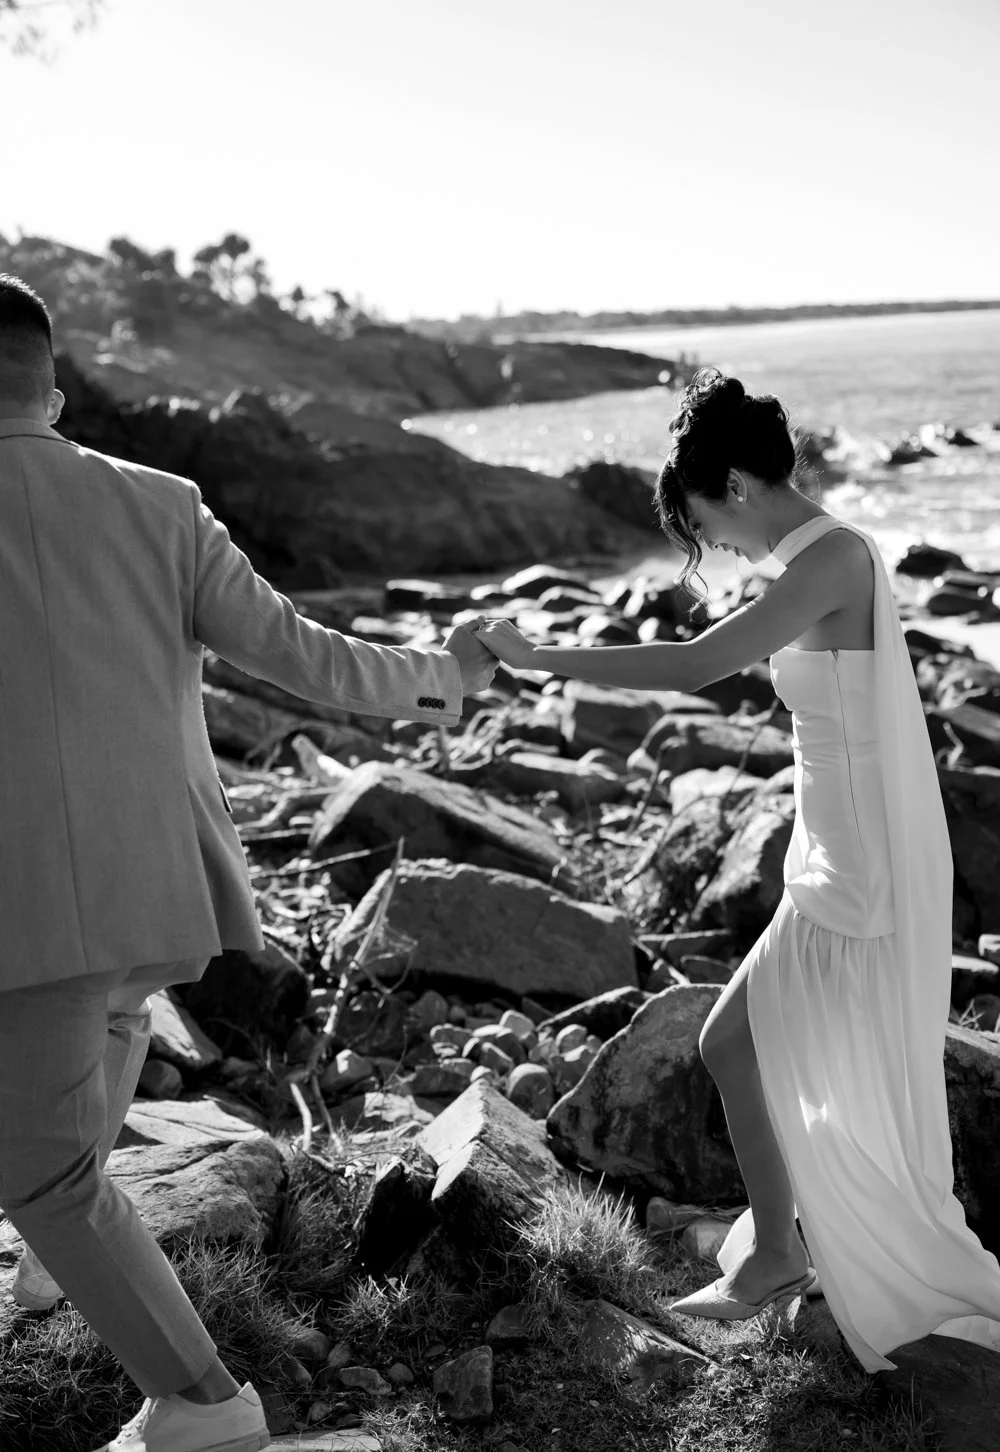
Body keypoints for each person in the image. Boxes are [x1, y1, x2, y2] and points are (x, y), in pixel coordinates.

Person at [0, 272, 497, 1452]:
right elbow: (304, 654)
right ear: (54, 394)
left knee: (46, 1174)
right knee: (104, 1042)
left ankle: (201, 1402)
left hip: (30, 904)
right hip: (157, 887)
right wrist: (447, 672)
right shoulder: (164, 504)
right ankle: (58, 1269)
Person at [474, 366, 1000, 1373]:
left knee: (734, 1043)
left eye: (707, 520)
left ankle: (781, 1257)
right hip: (834, 849)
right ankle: (779, 1252)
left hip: (859, 864)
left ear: (738, 485)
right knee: (738, 1045)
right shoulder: (819, 555)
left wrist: (541, 659)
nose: (715, 542)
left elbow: (692, 665)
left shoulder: (833, 557)